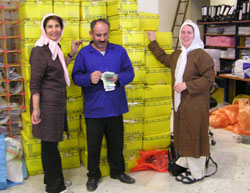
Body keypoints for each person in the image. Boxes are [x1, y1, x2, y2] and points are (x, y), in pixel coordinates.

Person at [147, 20, 215, 184]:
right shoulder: (179, 54)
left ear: (195, 35)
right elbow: (164, 58)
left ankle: (197, 172)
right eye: (183, 33)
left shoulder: (201, 55)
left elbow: (209, 79)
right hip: (181, 104)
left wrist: (187, 85)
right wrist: (153, 41)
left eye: (189, 33)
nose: (185, 36)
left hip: (195, 104)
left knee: (194, 135)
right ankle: (186, 162)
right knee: (183, 134)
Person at [72, 18, 135, 192]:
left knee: (116, 143)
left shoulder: (119, 51)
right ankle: (93, 175)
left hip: (115, 105)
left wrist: (119, 78)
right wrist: (88, 79)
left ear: (109, 33)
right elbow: (76, 77)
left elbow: (130, 72)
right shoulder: (84, 54)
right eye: (98, 35)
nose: (101, 38)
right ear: (91, 34)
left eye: (105, 34)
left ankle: (118, 171)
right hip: (94, 108)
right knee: (93, 146)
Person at [29, 13, 81, 193]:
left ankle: (52, 179)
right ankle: (54, 187)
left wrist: (72, 53)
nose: (54, 30)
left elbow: (59, 68)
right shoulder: (39, 49)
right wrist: (36, 109)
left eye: (57, 26)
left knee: (50, 144)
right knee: (49, 145)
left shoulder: (54, 48)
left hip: (56, 103)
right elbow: (34, 83)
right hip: (45, 105)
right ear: (44, 28)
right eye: (50, 26)